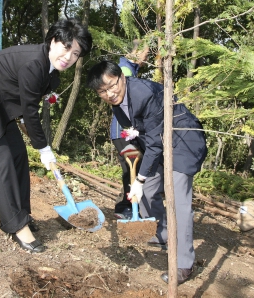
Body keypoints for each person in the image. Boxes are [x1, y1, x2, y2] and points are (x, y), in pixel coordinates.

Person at [0, 18, 92, 253]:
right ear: (53, 41)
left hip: (0, 106)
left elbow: (26, 103)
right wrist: (44, 149)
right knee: (2, 160)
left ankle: (21, 214)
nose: (69, 57)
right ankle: (16, 226)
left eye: (76, 54)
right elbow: (31, 111)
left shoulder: (51, 72)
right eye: (67, 48)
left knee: (18, 155)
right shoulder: (34, 64)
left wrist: (30, 130)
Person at [87, 60, 207, 284]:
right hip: (159, 144)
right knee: (149, 190)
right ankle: (163, 232)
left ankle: (184, 263)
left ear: (122, 77)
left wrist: (139, 179)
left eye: (112, 85)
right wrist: (141, 176)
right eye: (102, 91)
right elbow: (138, 133)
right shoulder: (116, 103)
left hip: (183, 141)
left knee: (178, 202)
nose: (110, 93)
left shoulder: (144, 93)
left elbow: (154, 142)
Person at [112, 45, 149, 220]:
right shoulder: (125, 70)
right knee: (130, 169)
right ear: (137, 52)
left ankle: (128, 205)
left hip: (126, 132)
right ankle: (125, 207)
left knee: (132, 168)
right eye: (146, 52)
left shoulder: (129, 69)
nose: (147, 57)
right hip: (124, 132)